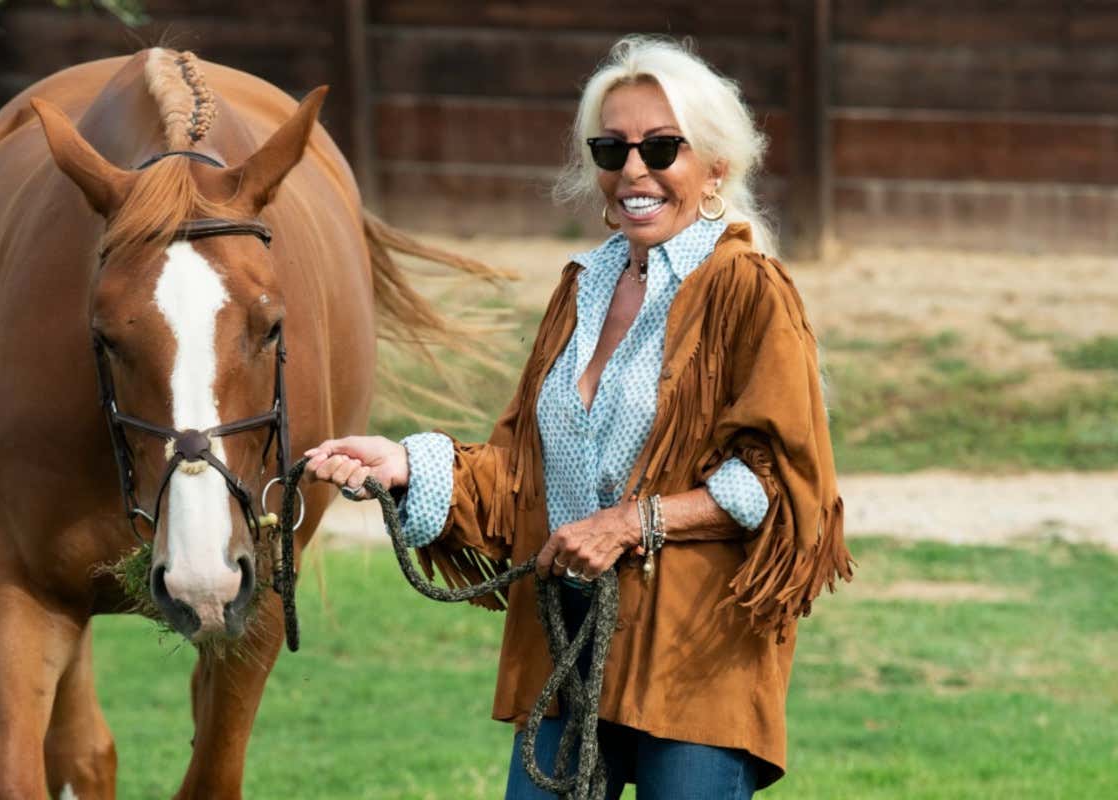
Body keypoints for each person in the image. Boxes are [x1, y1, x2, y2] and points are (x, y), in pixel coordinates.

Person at [305, 35, 851, 799]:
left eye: (663, 148)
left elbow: (773, 483)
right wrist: (405, 464)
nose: (634, 169)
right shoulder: (582, 290)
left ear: (715, 167)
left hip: (691, 648)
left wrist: (628, 525)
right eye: (612, 147)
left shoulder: (746, 289)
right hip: (565, 635)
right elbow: (524, 474)